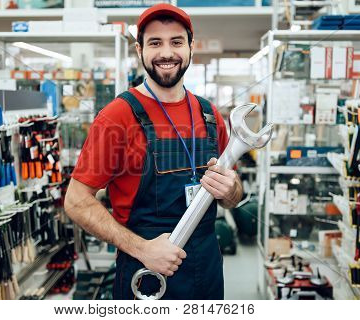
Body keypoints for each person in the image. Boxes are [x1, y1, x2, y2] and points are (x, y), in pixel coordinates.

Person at [64, 3, 243, 300]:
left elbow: (233, 196)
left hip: (207, 271)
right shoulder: (117, 116)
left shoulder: (209, 114)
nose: (166, 53)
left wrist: (232, 189)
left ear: (191, 47)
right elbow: (76, 201)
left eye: (176, 42)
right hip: (145, 275)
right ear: (139, 49)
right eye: (155, 43)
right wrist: (142, 248)